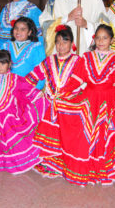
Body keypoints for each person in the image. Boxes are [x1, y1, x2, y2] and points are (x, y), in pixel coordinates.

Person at [35, 24, 115, 186]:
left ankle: (99, 167)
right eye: (98, 37)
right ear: (94, 39)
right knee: (83, 132)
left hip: (106, 103)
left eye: (105, 38)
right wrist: (63, 93)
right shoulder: (87, 57)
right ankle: (81, 165)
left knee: (101, 134)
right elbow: (76, 80)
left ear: (111, 40)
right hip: (88, 99)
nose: (101, 41)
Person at [25, 25, 81, 160]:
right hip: (50, 102)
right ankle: (49, 158)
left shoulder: (78, 61)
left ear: (72, 44)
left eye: (64, 42)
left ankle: (66, 157)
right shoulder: (49, 60)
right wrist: (17, 86)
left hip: (70, 104)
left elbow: (83, 83)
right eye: (58, 42)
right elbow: (33, 77)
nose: (61, 45)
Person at [2, 17, 46, 89]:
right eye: (16, 28)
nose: (18, 31)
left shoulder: (36, 48)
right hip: (6, 88)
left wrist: (35, 91)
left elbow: (41, 71)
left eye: (23, 29)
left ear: (29, 32)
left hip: (27, 89)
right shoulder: (5, 46)